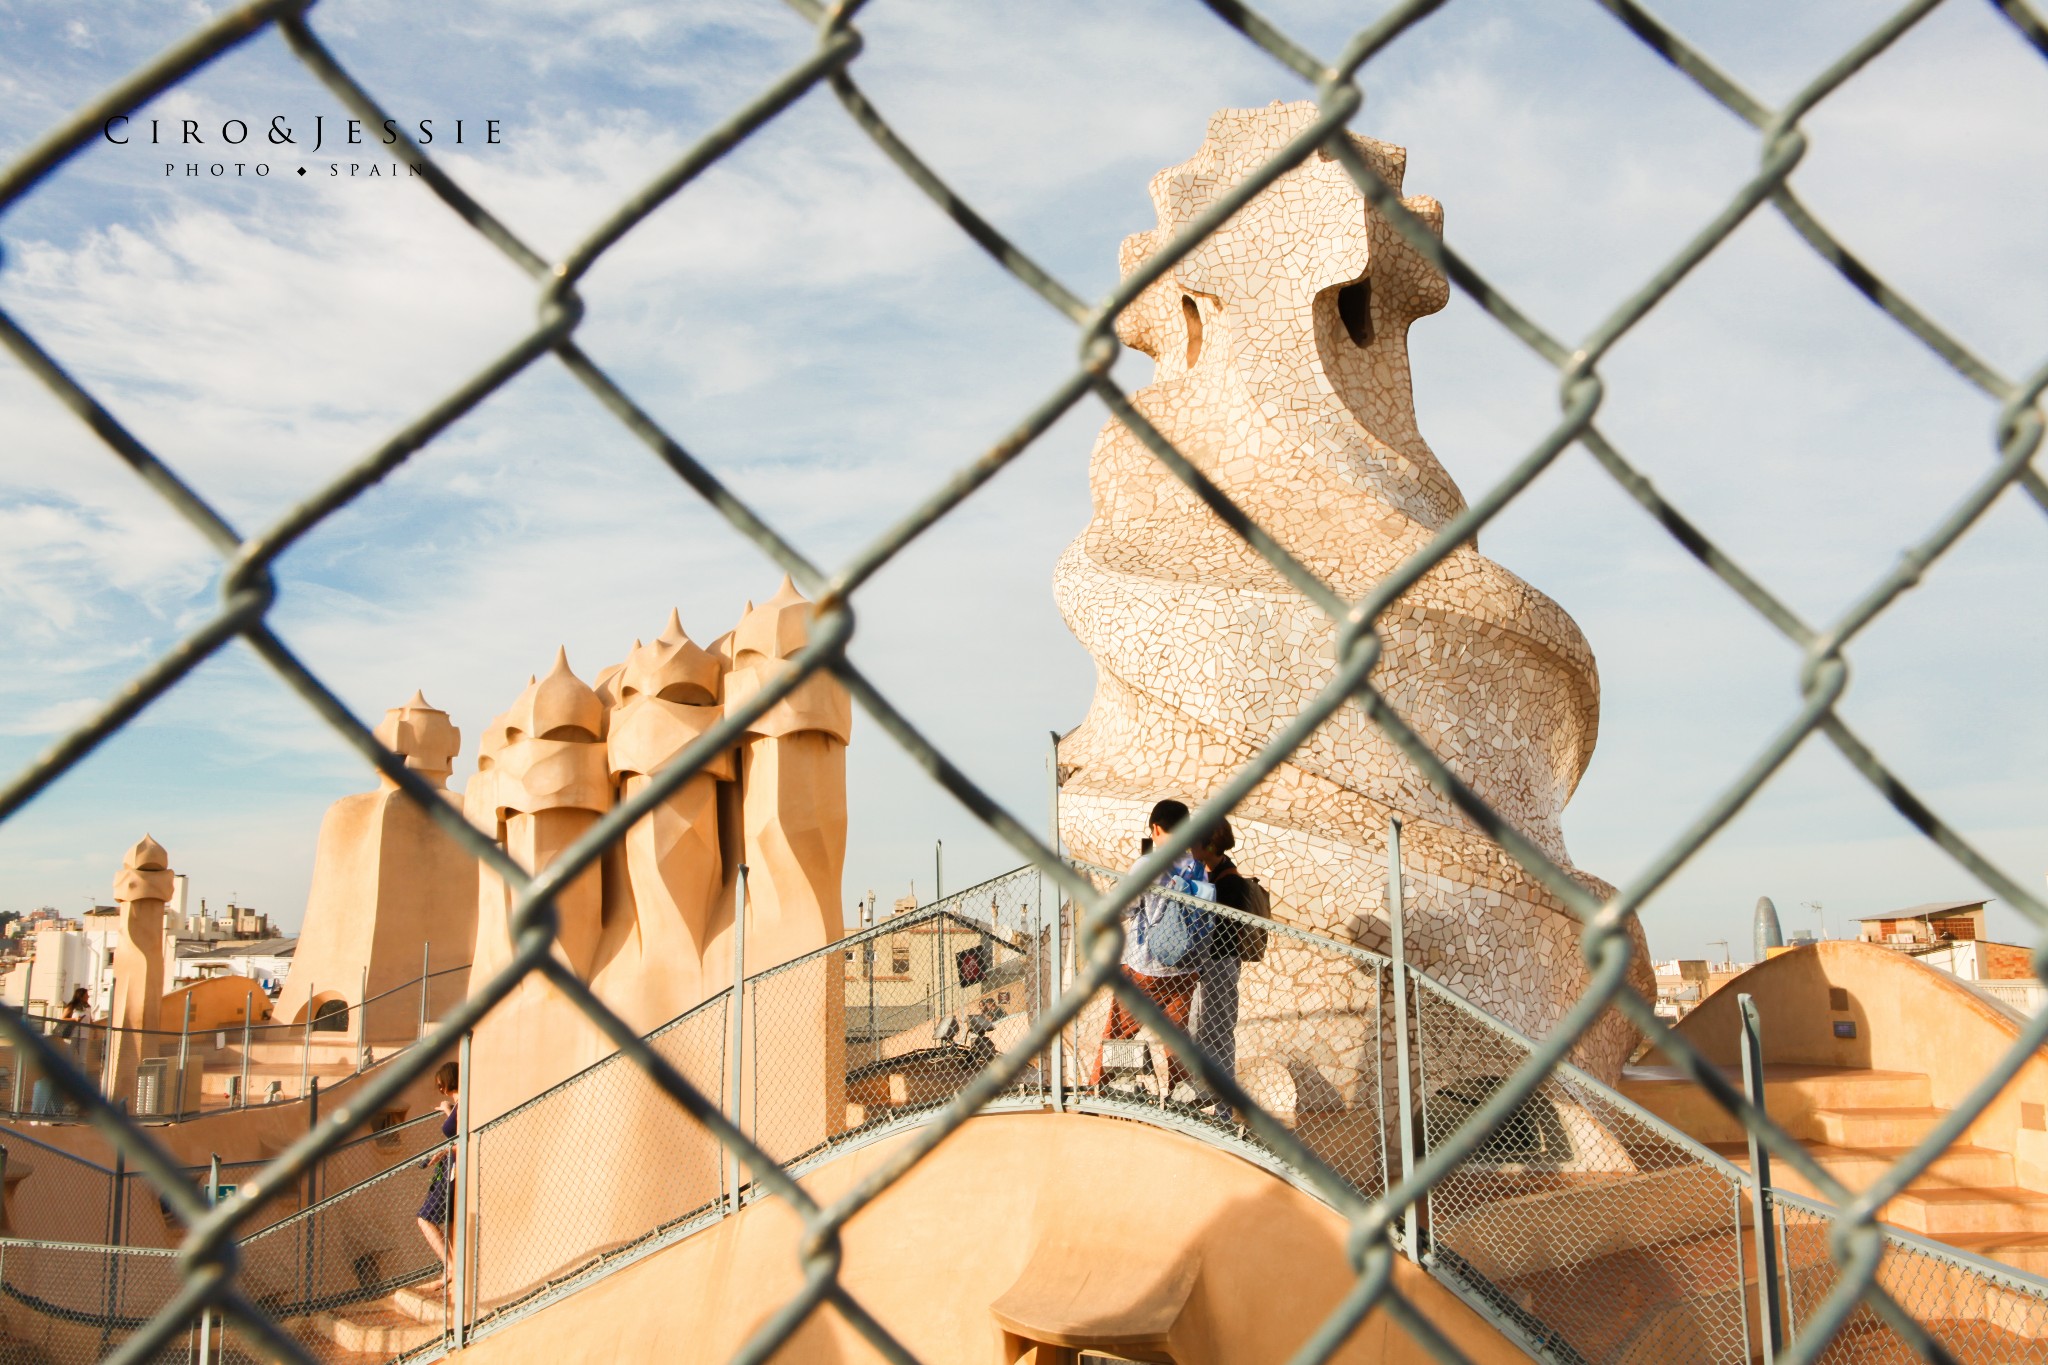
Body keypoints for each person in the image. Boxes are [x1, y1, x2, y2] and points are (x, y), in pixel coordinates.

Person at [1091, 799, 1211, 1098]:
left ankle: (1103, 1086)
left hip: (1146, 964)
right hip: (1187, 966)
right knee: (1176, 1033)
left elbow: (1128, 906)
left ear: (1155, 828)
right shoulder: (1196, 865)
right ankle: (1182, 1092)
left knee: (1120, 1029)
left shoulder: (1148, 864)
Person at [1189, 819, 1248, 1120]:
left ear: (1206, 845)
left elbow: (1220, 929)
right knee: (1202, 1032)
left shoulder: (1229, 883)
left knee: (1218, 1034)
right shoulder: (1212, 874)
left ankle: (1223, 1108)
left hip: (1220, 963)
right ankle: (1209, 1100)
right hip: (1209, 964)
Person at [415, 1061, 460, 1292]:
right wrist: (447, 1111)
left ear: (448, 1079)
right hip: (450, 1167)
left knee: (425, 1218)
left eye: (440, 1083)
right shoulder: (460, 1104)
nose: (440, 1088)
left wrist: (444, 1151)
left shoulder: (465, 1104)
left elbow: (464, 1137)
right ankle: (451, 1267)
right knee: (443, 1218)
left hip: (454, 1168)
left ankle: (451, 1267)